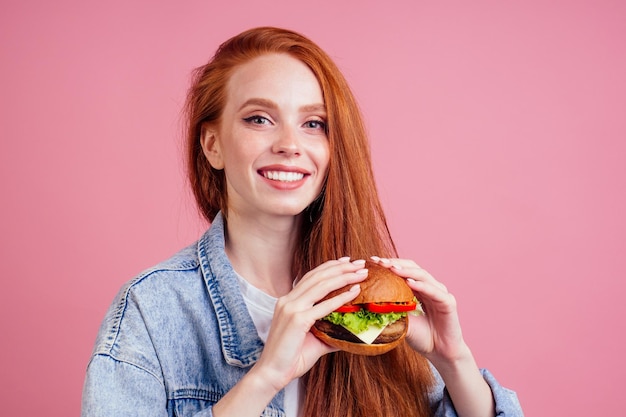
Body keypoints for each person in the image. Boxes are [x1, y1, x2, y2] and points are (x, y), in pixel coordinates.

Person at [81, 27, 523, 417]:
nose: (291, 144)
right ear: (212, 145)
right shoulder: (152, 309)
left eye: (313, 123)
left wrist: (454, 362)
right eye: (259, 119)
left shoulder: (374, 309)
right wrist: (265, 378)